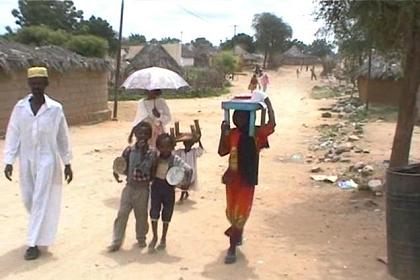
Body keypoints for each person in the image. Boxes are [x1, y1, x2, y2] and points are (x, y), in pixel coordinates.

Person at [3, 66, 73, 260]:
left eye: (40, 83)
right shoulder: (20, 107)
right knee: (29, 199)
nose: (36, 86)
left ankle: (32, 244)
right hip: (26, 160)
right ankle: (41, 232)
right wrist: (9, 160)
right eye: (33, 83)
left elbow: (62, 136)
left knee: (41, 199)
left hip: (47, 161)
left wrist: (67, 162)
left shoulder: (55, 109)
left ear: (46, 84)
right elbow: (13, 133)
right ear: (28, 84)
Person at [218, 102, 276, 264]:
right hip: (232, 179)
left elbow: (271, 124)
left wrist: (268, 106)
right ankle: (238, 231)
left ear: (250, 117)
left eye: (243, 116)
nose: (238, 119)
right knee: (232, 211)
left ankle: (231, 248)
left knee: (241, 210)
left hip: (247, 179)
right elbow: (222, 151)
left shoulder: (256, 133)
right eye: (236, 116)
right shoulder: (233, 133)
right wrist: (223, 133)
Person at [108, 121, 157, 252]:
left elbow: (148, 169)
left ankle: (141, 237)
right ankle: (116, 240)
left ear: (149, 136)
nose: (142, 136)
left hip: (143, 189)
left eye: (146, 134)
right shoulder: (129, 150)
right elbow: (121, 164)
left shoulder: (151, 153)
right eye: (140, 133)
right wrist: (116, 172)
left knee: (141, 215)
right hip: (129, 187)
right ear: (135, 134)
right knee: (122, 213)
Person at [148, 133, 192, 251]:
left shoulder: (175, 159)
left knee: (167, 214)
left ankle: (163, 237)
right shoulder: (155, 158)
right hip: (156, 187)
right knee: (154, 212)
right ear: (158, 147)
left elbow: (188, 169)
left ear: (172, 147)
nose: (165, 149)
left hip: (168, 189)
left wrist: (186, 183)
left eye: (167, 147)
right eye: (162, 147)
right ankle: (155, 236)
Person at [174, 134, 203, 202]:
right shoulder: (180, 151)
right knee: (184, 184)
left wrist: (199, 140)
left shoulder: (194, 151)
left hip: (191, 172)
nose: (187, 145)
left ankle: (181, 197)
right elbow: (173, 152)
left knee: (185, 183)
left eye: (189, 144)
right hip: (182, 172)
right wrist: (173, 143)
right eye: (186, 143)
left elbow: (201, 150)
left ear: (192, 144)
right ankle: (186, 194)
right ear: (184, 144)